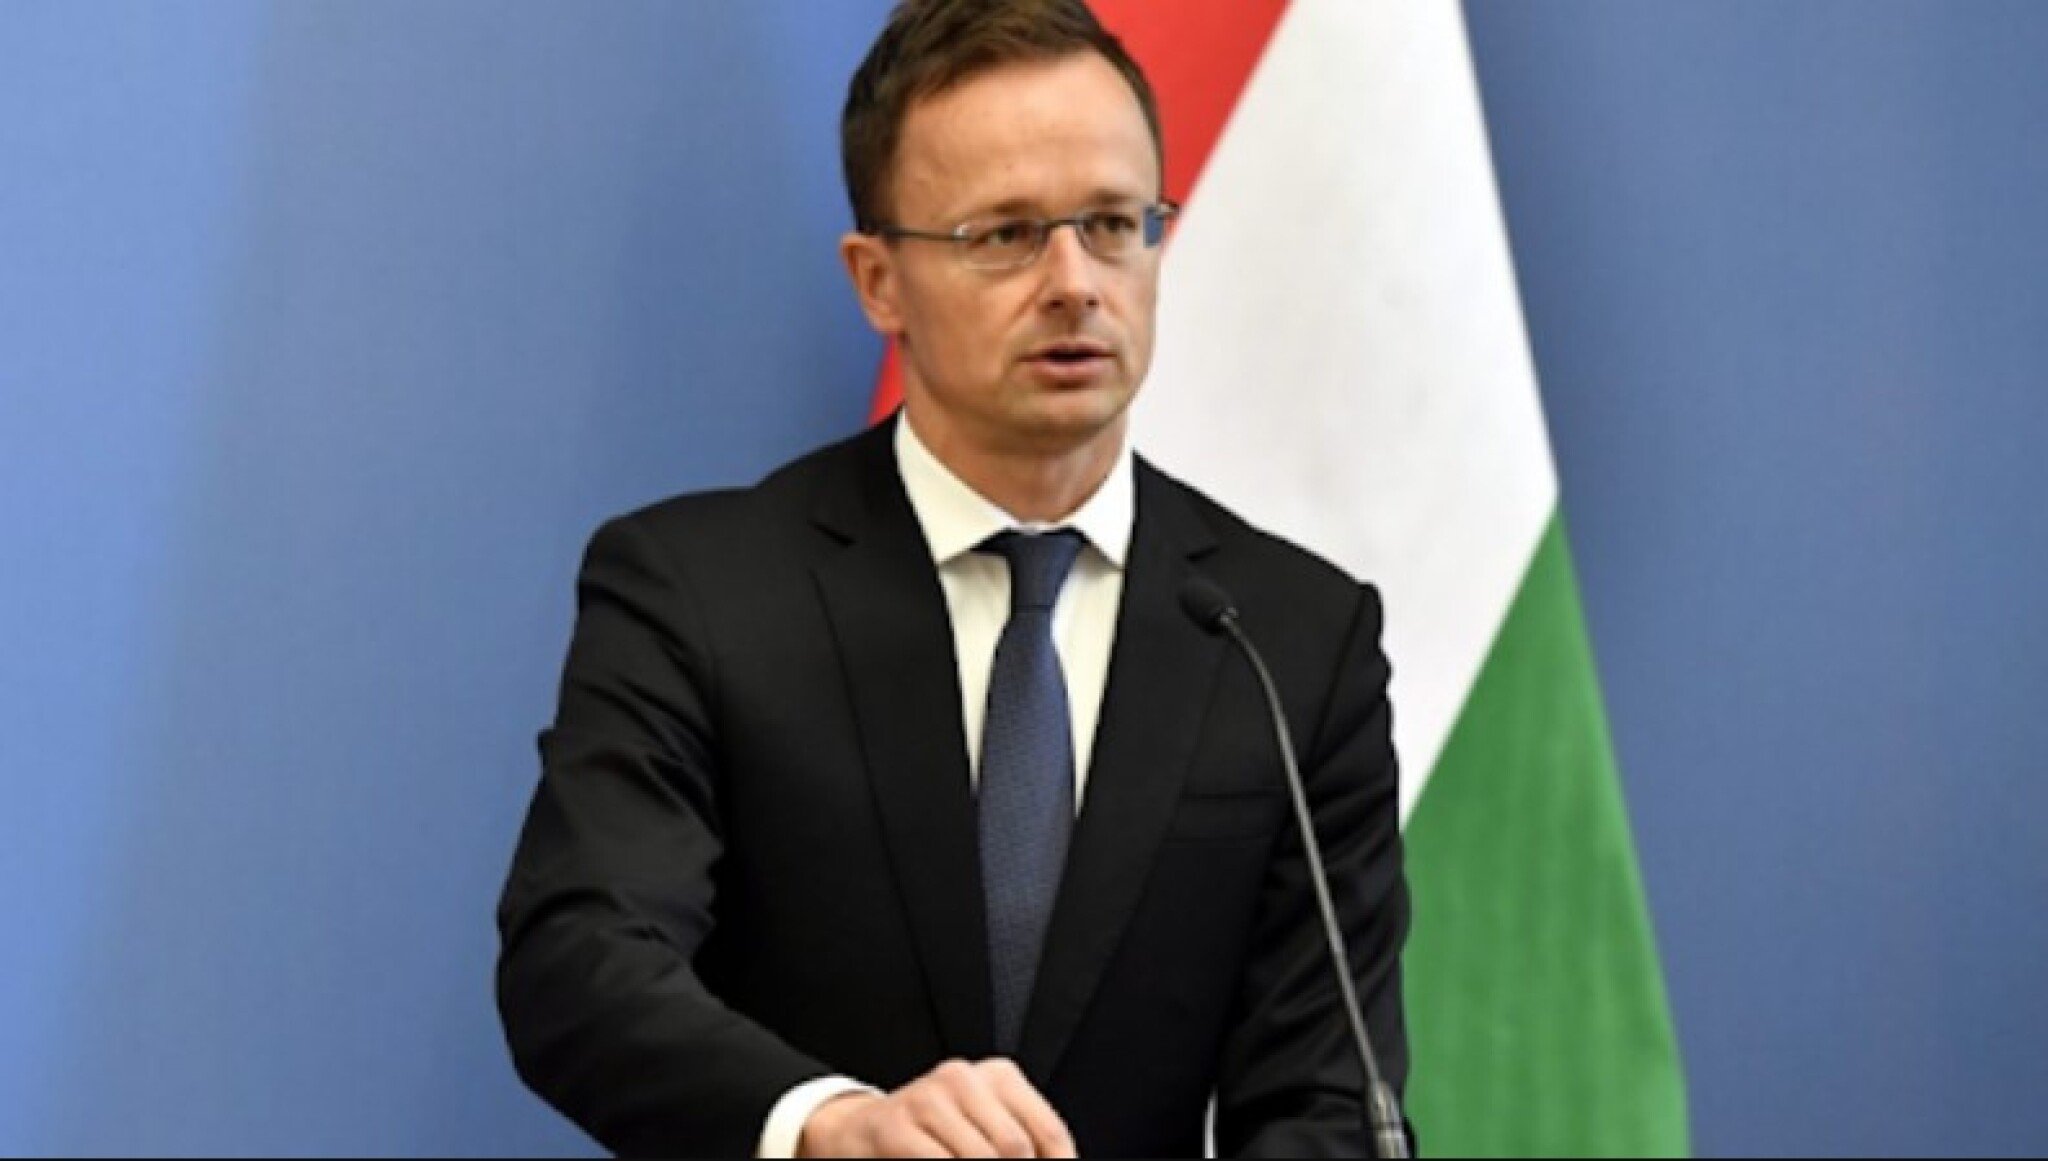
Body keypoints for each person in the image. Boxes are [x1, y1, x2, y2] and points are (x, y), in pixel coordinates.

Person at [495, 1, 1409, 1155]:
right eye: (1005, 235)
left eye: (1110, 224)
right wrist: (830, 1127)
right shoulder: (698, 594)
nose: (1074, 283)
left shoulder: (1288, 640)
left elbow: (1323, 1101)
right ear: (877, 280)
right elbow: (581, 962)